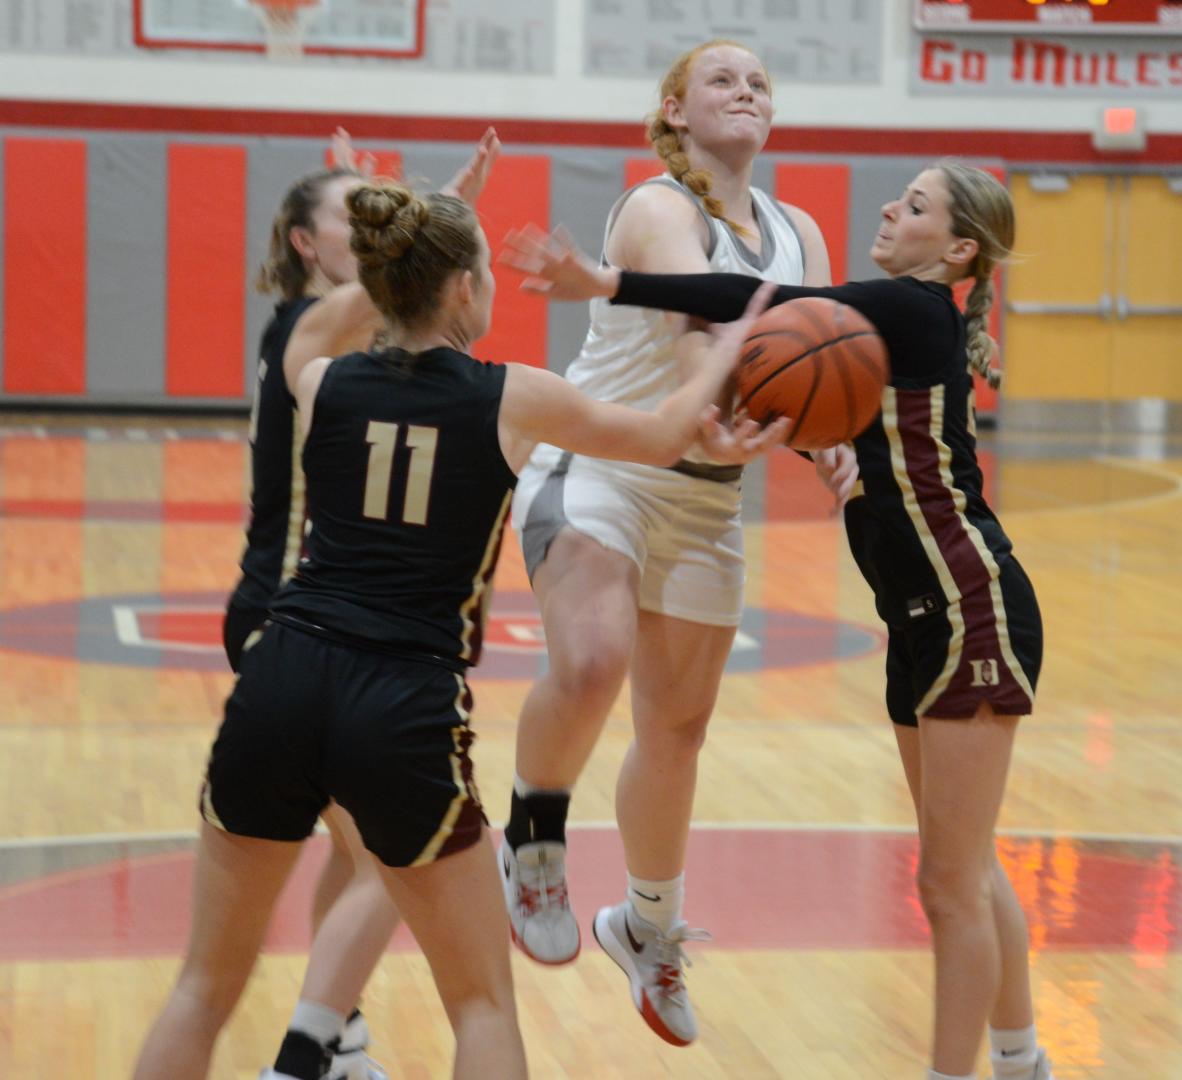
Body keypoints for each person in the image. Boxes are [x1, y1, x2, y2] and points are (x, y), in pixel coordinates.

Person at [131, 177, 775, 1080]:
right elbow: (668, 433)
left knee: (201, 987)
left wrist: (412, 232)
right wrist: (731, 345)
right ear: (467, 289)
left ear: (385, 283)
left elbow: (311, 330)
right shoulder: (513, 396)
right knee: (479, 1003)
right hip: (401, 703)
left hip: (281, 677)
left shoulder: (320, 380)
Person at [501, 160, 1055, 1080]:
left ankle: (972, 1069)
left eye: (914, 205)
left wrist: (609, 283)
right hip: (922, 616)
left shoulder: (913, 308)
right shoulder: (907, 322)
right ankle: (1023, 1058)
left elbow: (750, 297)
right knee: (965, 867)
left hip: (968, 605)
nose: (888, 206)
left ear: (958, 249)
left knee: (949, 883)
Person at [496, 38, 832, 1050]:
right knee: (592, 659)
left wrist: (829, 444)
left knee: (676, 732)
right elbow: (712, 318)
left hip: (706, 497)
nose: (747, 91)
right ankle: (533, 837)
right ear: (677, 111)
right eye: (723, 79)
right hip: (602, 466)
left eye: (760, 82)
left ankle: (645, 925)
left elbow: (808, 354)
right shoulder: (656, 206)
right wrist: (608, 278)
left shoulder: (797, 228)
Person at [220, 130, 500, 1079]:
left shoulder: (343, 331)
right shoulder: (314, 332)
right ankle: (313, 1044)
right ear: (307, 241)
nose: (372, 220)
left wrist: (425, 213)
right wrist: (431, 223)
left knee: (363, 851)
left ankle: (337, 1038)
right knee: (393, 846)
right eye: (355, 208)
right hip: (293, 612)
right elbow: (391, 289)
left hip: (302, 615)